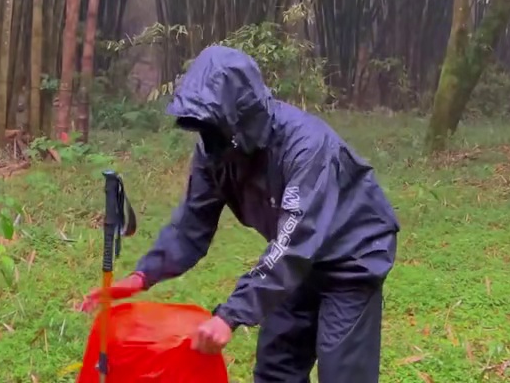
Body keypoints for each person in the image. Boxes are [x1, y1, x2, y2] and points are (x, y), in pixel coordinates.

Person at [81, 45, 400, 383]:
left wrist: (229, 316)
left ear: (241, 116)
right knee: (276, 369)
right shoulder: (215, 153)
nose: (206, 138)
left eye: (212, 126)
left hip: (350, 258)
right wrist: (142, 276)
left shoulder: (306, 148)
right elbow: (192, 224)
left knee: (343, 374)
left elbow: (295, 243)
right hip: (294, 266)